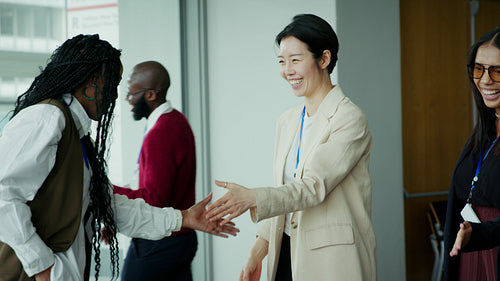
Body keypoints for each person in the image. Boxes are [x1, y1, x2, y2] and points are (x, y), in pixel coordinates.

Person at [0, 34, 238, 281]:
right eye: (112, 84)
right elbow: (3, 193)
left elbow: (110, 205)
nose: (115, 96)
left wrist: (183, 218)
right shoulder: (48, 118)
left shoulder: (78, 136)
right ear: (91, 81)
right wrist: (42, 267)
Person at [206, 14, 377, 281]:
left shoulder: (349, 118)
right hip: (285, 251)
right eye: (282, 62)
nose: (287, 71)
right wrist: (258, 249)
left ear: (324, 59)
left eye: (296, 60)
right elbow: (287, 191)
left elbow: (312, 187)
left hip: (331, 260)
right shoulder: (287, 121)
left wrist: (253, 198)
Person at [112, 61, 198, 281]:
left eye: (131, 93)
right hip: (181, 239)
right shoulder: (177, 120)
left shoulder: (160, 133)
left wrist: (109, 195)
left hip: (159, 242)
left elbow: (154, 199)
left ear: (150, 95)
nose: (128, 99)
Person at [443, 27, 500, 281]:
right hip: (470, 251)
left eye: (497, 70)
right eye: (479, 69)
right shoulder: (484, 132)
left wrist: (478, 235)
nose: (486, 80)